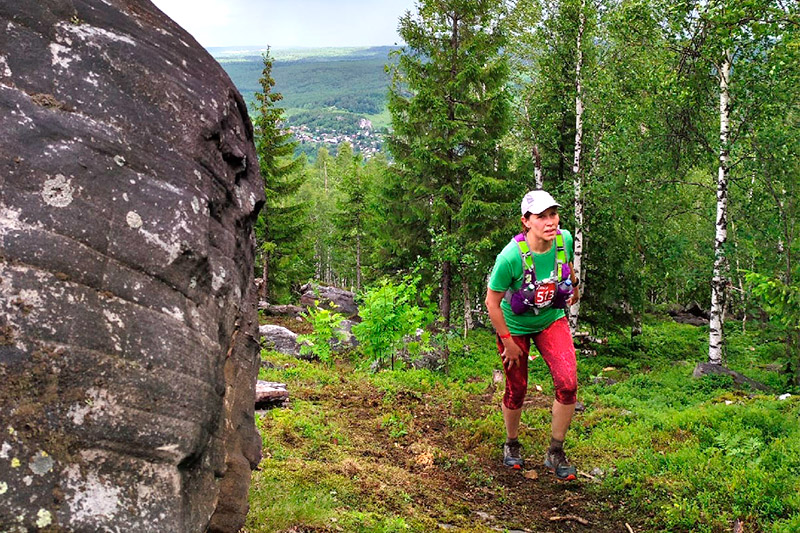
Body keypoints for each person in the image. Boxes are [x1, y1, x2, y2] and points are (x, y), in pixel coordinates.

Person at [484, 190, 580, 481]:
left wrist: (573, 286)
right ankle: (511, 444)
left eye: (553, 214)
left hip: (551, 318)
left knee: (568, 383)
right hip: (515, 326)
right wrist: (509, 342)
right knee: (516, 387)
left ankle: (555, 451)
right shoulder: (510, 257)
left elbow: (567, 268)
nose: (550, 222)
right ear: (525, 221)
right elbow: (492, 302)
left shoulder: (564, 239)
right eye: (541, 217)